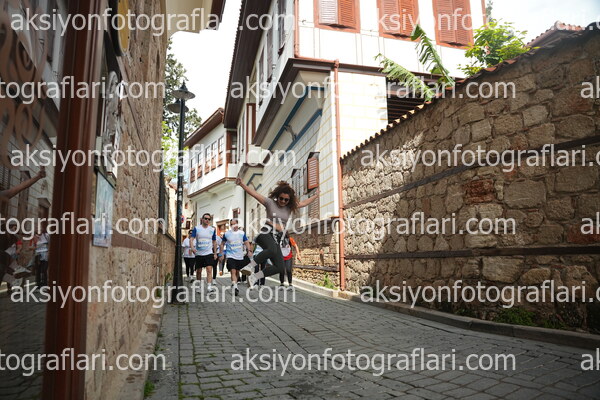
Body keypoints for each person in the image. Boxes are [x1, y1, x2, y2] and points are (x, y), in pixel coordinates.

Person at [236, 179, 318, 288]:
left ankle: (254, 277)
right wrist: (242, 184)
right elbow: (254, 194)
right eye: (281, 198)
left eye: (286, 200)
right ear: (277, 196)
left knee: (280, 267)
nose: (283, 201)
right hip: (266, 233)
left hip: (277, 238)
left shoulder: (289, 207)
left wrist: (316, 196)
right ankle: (250, 266)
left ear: (289, 200)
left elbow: (304, 203)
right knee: (272, 249)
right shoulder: (270, 203)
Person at [221, 219, 253, 296]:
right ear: (230, 225)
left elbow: (246, 242)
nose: (234, 226)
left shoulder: (241, 233)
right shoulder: (227, 234)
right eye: (232, 224)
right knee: (233, 271)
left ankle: (234, 283)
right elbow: (222, 244)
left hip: (239, 256)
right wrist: (221, 253)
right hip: (230, 255)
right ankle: (235, 287)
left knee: (237, 272)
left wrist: (249, 250)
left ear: (237, 224)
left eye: (235, 224)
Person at [191, 213, 218, 292]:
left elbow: (214, 242)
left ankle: (209, 287)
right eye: (206, 218)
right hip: (199, 253)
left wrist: (215, 253)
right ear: (202, 219)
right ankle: (199, 286)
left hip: (209, 253)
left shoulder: (212, 229)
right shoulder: (197, 228)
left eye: (209, 219)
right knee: (199, 271)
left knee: (209, 270)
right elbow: (191, 239)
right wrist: (192, 248)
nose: (207, 220)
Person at [0, 222, 23, 294]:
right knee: (6, 272)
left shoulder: (14, 237)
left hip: (8, 258)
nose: (15, 230)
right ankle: (11, 287)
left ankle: (11, 287)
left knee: (6, 273)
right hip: (6, 258)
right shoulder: (9, 236)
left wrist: (17, 251)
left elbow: (19, 245)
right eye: (14, 228)